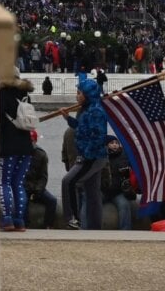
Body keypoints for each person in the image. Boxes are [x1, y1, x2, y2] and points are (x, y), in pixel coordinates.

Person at [61, 78, 108, 230]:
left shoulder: (95, 111)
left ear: (87, 94)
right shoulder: (87, 109)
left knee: (68, 181)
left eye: (79, 93)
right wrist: (68, 118)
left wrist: (86, 156)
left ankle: (73, 219)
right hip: (94, 156)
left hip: (92, 156)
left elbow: (98, 136)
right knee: (92, 192)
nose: (76, 96)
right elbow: (81, 127)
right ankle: (95, 227)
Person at [0, 75, 35, 232]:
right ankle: (20, 220)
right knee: (18, 184)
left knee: (3, 182)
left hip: (7, 145)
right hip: (26, 146)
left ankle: (7, 220)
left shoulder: (1, 94)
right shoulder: (25, 95)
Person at [24, 146, 60, 230]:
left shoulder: (41, 154)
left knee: (52, 201)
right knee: (23, 200)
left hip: (37, 186)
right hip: (24, 186)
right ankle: (25, 224)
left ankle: (48, 225)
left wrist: (38, 189)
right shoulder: (20, 153)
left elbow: (43, 176)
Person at [104, 137, 136, 231]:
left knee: (124, 205)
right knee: (91, 203)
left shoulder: (125, 156)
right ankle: (88, 229)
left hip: (118, 192)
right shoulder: (101, 156)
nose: (115, 145)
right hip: (103, 191)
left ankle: (125, 231)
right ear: (106, 145)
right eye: (112, 143)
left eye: (116, 143)